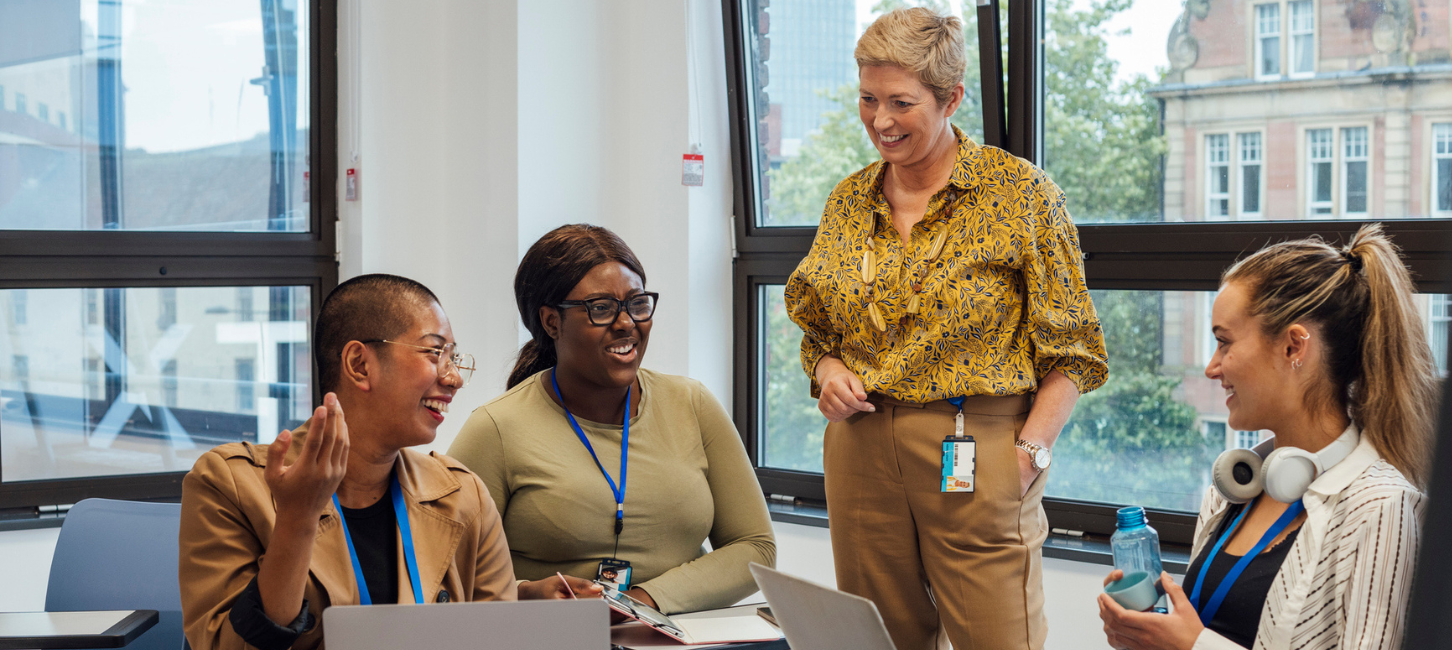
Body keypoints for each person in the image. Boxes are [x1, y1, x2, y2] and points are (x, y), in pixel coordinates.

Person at [783, 8, 1109, 650]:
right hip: (861, 446)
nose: (880, 121)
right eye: (868, 99)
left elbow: (1077, 353)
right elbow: (819, 331)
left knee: (1000, 640)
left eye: (900, 102)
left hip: (976, 442)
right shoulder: (848, 201)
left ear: (951, 98)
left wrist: (1027, 457)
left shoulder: (1020, 195)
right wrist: (827, 373)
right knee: (875, 640)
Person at [179, 274, 597, 650]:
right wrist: (297, 519)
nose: (453, 378)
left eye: (453, 358)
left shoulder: (462, 493)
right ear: (360, 364)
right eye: (435, 353)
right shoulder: (228, 483)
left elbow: (498, 641)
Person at [1097, 224, 1435, 650]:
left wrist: (1191, 645)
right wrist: (1147, 631)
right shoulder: (1231, 491)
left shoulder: (1381, 507)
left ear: (1294, 347)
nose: (1212, 367)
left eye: (1224, 342)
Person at [449, 224, 776, 615]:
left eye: (637, 303)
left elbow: (755, 548)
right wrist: (524, 593)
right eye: (601, 309)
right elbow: (444, 571)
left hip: (682, 637)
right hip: (555, 638)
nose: (626, 323)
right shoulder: (497, 428)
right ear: (552, 322)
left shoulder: (693, 404)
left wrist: (643, 601)